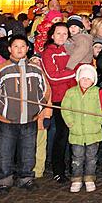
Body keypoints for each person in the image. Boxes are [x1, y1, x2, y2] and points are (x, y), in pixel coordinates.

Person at [0, 35, 50, 194]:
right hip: (7, 120)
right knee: (5, 151)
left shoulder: (36, 70)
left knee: (28, 150)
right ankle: (4, 180)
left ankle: (26, 178)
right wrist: (3, 109)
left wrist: (37, 107)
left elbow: (45, 90)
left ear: (28, 49)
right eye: (16, 46)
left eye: (23, 46)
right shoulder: (2, 69)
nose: (20, 49)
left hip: (30, 119)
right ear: (9, 49)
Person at [40, 22, 77, 184]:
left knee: (75, 133)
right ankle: (58, 169)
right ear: (52, 35)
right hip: (60, 98)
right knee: (62, 134)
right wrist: (75, 73)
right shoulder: (48, 53)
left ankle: (74, 167)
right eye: (59, 33)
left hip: (76, 96)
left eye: (65, 33)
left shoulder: (72, 49)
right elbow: (53, 77)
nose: (62, 36)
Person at [62, 64, 102, 193]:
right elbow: (65, 109)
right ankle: (76, 179)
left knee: (91, 157)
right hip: (77, 132)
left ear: (93, 80)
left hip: (93, 132)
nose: (85, 81)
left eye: (88, 79)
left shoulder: (97, 92)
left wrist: (98, 121)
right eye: (83, 78)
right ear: (78, 78)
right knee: (77, 157)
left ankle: (89, 178)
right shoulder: (71, 92)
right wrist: (70, 122)